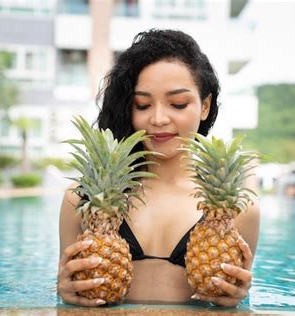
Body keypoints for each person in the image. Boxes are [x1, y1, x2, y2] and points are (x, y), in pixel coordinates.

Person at [57, 29, 260, 307]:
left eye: (178, 103)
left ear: (205, 106)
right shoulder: (81, 200)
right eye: (142, 104)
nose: (159, 118)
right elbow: (64, 294)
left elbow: (238, 301)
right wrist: (65, 291)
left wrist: (238, 297)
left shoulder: (239, 209)